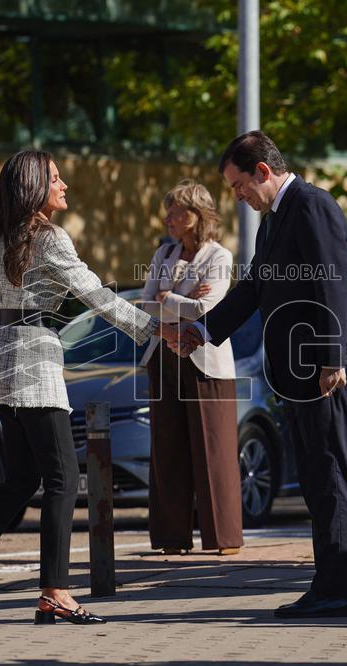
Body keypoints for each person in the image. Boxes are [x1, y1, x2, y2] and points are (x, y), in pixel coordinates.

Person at [0, 150, 178, 625]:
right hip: (35, 367)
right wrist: (153, 329)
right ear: (34, 187)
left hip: (3, 368)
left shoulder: (1, 237)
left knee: (20, 481)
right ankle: (55, 591)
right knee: (63, 478)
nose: (64, 186)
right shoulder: (49, 238)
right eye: (56, 179)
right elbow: (96, 294)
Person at [177, 131, 347, 618]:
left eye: (238, 185)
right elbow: (252, 291)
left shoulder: (312, 205)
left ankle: (335, 592)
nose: (236, 196)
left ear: (263, 171)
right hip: (297, 372)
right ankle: (327, 584)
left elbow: (335, 278)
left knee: (330, 476)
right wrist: (202, 331)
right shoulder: (273, 220)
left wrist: (331, 357)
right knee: (314, 476)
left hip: (323, 368)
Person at [140, 179, 243, 557]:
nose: (167, 217)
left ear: (196, 216)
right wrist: (177, 301)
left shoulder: (219, 256)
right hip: (163, 354)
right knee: (166, 448)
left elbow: (209, 308)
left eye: (176, 210)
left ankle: (224, 538)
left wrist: (168, 297)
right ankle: (171, 538)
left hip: (207, 361)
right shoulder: (163, 253)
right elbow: (144, 304)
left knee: (213, 448)